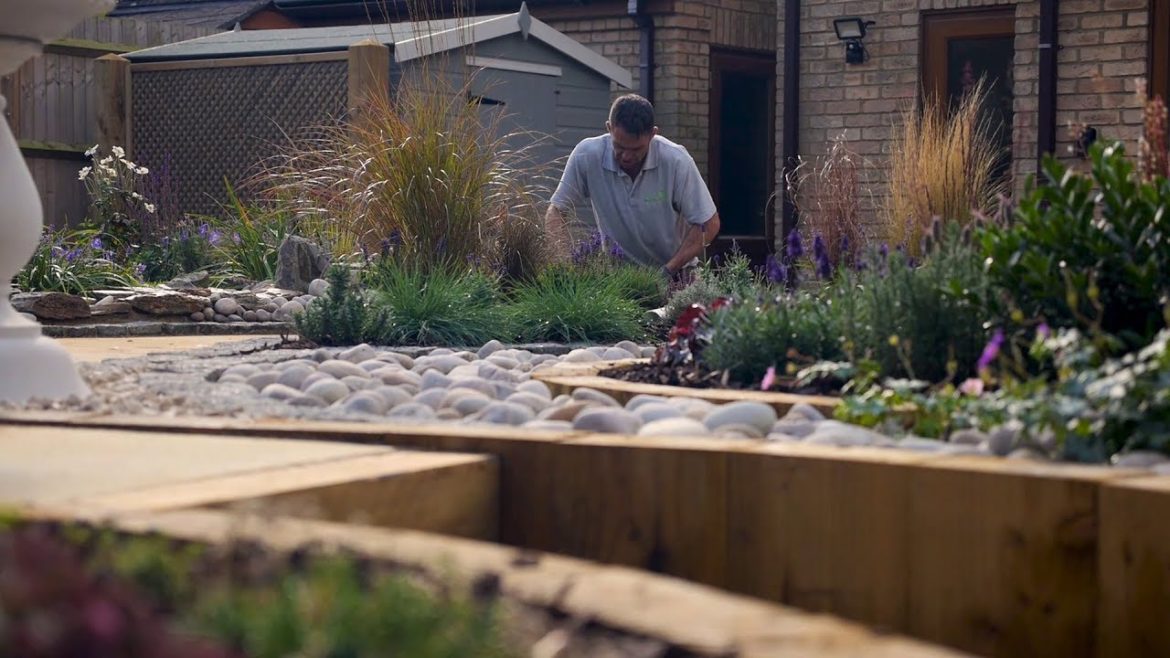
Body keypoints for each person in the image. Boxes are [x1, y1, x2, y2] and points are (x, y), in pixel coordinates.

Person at [545, 94, 720, 279]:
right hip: (617, 280)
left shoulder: (676, 161)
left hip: (677, 276)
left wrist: (669, 270)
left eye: (636, 149)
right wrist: (566, 264)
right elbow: (556, 212)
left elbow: (708, 223)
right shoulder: (587, 156)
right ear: (609, 128)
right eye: (619, 146)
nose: (626, 156)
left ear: (653, 134)